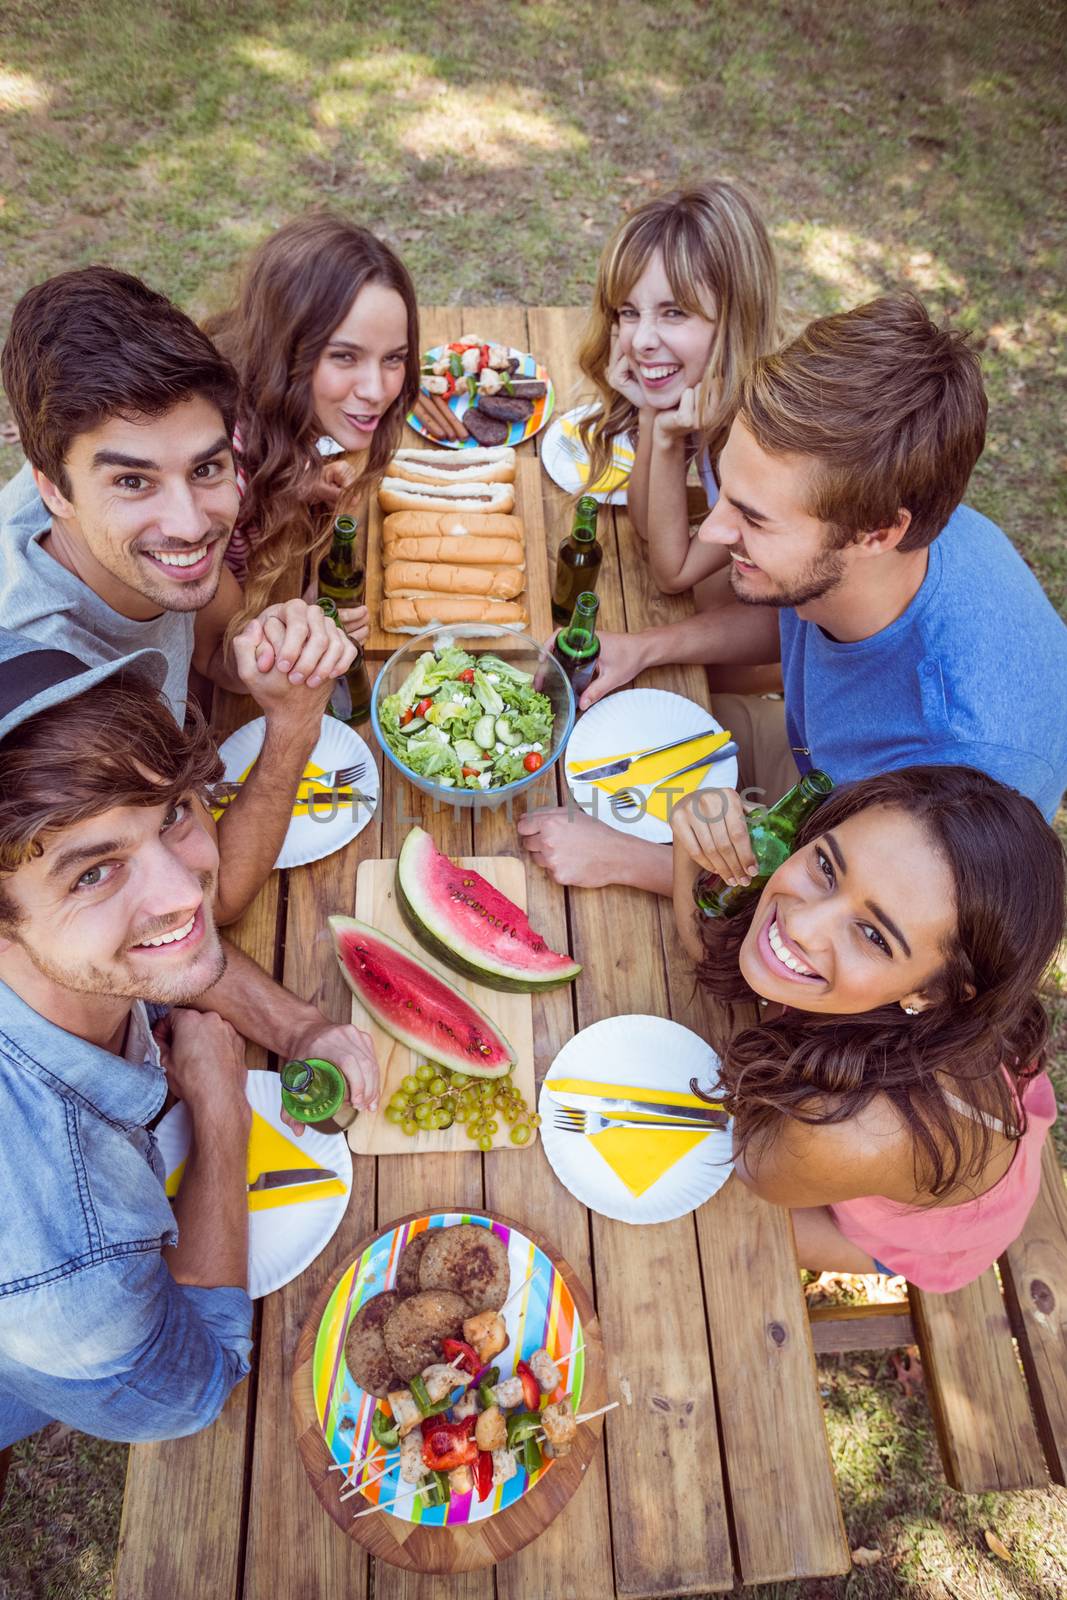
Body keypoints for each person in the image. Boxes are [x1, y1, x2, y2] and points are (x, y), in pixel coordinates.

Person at [520, 293, 1067, 890]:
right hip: (809, 755)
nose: (716, 531)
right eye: (724, 491)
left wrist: (628, 861)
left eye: (754, 520)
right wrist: (646, 647)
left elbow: (845, 920)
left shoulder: (956, 767)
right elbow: (799, 612)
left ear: (880, 532)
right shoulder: (869, 543)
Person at [0, 631, 379, 1449]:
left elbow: (170, 947)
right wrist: (219, 1112)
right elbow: (195, 1386)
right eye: (92, 872)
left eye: (172, 814)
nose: (185, 892)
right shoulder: (71, 1272)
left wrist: (300, 1025)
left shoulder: (72, 952)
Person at [0, 265, 358, 925]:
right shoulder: (60, 693)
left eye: (206, 468)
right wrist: (295, 727)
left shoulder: (104, 499)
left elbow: (218, 648)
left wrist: (265, 647)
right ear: (52, 488)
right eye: (134, 482)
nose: (191, 524)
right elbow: (205, 899)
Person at [674, 765, 1064, 1291]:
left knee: (713, 1208)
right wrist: (688, 842)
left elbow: (753, 1165)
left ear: (934, 992)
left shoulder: (835, 1132)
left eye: (875, 936)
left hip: (931, 1234)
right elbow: (734, 958)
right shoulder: (917, 994)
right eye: (826, 866)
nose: (803, 923)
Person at [205, 211, 420, 640]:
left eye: (393, 357)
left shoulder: (269, 404)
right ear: (283, 351)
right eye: (344, 356)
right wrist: (300, 621)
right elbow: (217, 650)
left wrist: (298, 480)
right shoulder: (216, 473)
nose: (377, 390)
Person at [576, 180, 779, 596]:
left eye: (674, 312)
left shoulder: (769, 439)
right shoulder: (709, 391)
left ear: (734, 317)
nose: (641, 341)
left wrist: (666, 438)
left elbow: (672, 573)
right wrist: (652, 415)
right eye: (629, 312)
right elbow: (648, 527)